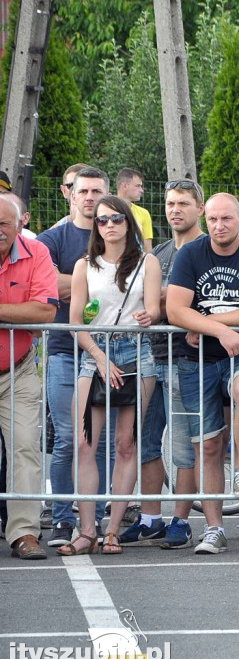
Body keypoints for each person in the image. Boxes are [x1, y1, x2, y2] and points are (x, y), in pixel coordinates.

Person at [166, 193, 239, 555]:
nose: (219, 226)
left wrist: (212, 324)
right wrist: (222, 329)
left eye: (226, 219)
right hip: (195, 360)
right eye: (213, 219)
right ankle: (214, 528)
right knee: (208, 446)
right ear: (205, 217)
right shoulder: (190, 254)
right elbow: (175, 310)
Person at [58, 196, 161, 556]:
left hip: (136, 355)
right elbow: (75, 323)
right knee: (85, 443)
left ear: (129, 223)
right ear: (96, 226)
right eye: (102, 220)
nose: (110, 225)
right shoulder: (84, 265)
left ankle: (113, 530)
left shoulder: (148, 263)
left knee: (126, 444)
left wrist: (151, 317)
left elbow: (154, 310)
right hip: (95, 354)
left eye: (117, 218)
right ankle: (86, 530)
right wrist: (100, 359)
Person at [122, 179, 207, 550]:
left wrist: (164, 302)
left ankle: (182, 521)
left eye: (184, 203)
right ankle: (151, 518)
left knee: (184, 449)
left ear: (199, 209)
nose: (175, 210)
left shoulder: (208, 250)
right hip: (151, 358)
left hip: (189, 361)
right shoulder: (157, 252)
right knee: (144, 441)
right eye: (170, 203)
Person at [36, 166, 115, 548]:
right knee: (69, 437)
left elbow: (136, 284)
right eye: (82, 191)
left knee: (104, 441)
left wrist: (77, 286)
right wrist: (96, 282)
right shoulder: (52, 239)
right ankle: (62, 517)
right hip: (66, 353)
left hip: (114, 355)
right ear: (70, 194)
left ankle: (95, 519)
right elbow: (47, 284)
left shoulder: (118, 236)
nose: (89, 197)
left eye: (96, 191)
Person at [0, 197, 58, 559]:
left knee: (25, 447)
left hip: (17, 369)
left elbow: (45, 311)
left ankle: (24, 533)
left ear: (20, 224)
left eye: (4, 223)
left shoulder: (37, 253)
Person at [116, 168, 153, 252]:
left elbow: (148, 249)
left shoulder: (144, 213)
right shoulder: (107, 210)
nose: (142, 190)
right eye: (138, 186)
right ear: (125, 186)